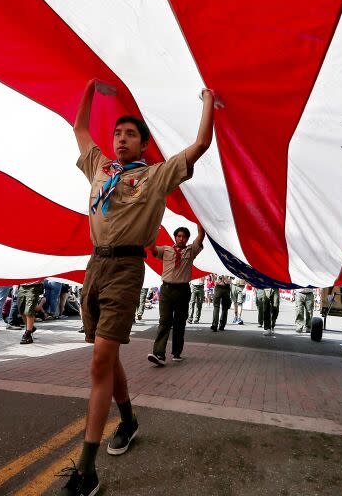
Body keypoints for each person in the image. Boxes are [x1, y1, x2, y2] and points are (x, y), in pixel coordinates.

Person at [61, 79, 216, 495]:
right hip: (95, 266)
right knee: (106, 360)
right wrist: (89, 89)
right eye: (117, 133)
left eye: (130, 134)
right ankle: (128, 421)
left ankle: (87, 473)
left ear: (143, 145)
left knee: (99, 363)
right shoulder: (101, 168)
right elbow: (78, 129)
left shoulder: (154, 176)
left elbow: (201, 143)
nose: (121, 138)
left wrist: (207, 100)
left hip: (128, 268)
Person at [148, 225, 205, 366]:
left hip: (183, 290)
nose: (181, 238)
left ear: (187, 239)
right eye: (179, 236)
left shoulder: (191, 251)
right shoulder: (166, 250)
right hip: (167, 290)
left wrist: (199, 218)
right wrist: (152, 232)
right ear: (175, 237)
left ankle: (177, 352)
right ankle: (159, 354)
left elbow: (201, 235)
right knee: (164, 321)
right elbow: (152, 249)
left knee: (179, 323)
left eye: (184, 236)